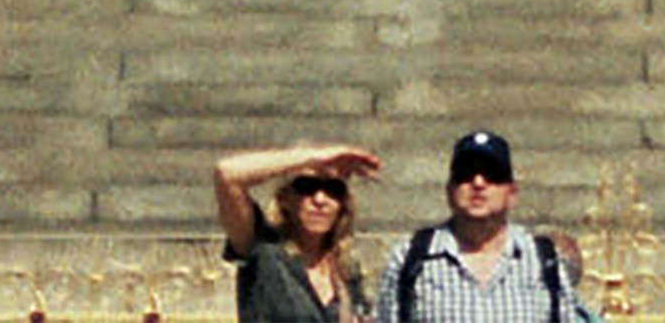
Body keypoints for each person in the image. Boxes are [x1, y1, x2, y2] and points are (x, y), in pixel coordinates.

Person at [382, 131, 585, 323]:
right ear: (450, 189)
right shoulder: (411, 259)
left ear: (512, 194)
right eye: (466, 174)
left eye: (492, 175)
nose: (478, 183)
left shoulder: (544, 260)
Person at [218, 141, 388, 323]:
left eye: (333, 190)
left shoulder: (345, 269)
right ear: (285, 199)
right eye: (306, 187)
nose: (320, 200)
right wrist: (313, 158)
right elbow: (227, 174)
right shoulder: (263, 249)